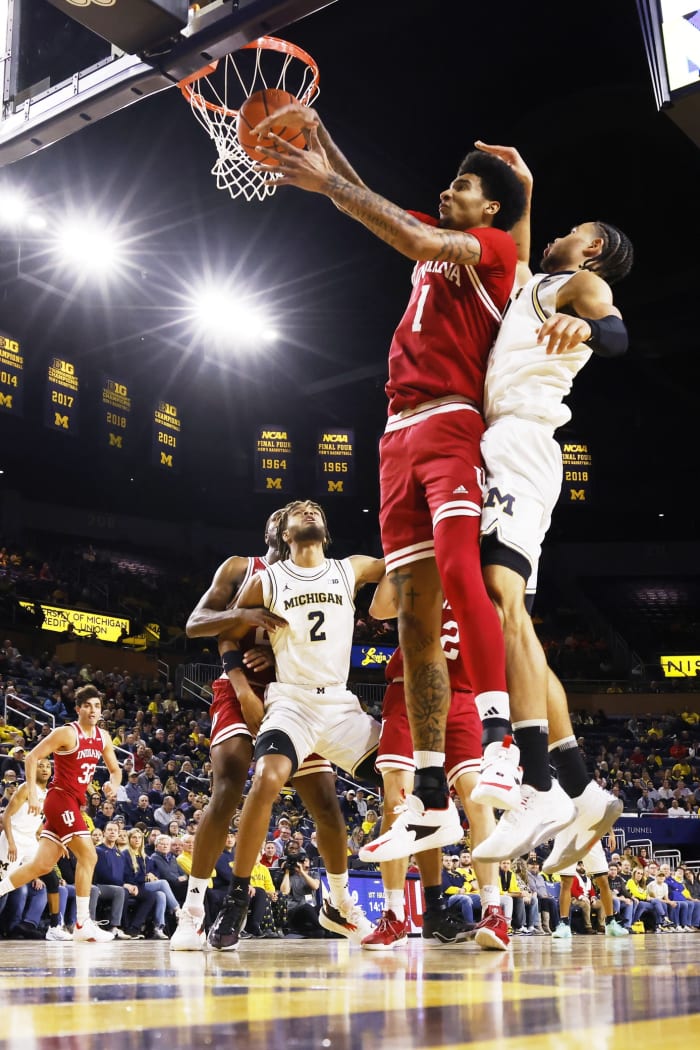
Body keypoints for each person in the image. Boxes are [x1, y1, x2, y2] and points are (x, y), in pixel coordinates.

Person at [253, 105, 527, 856]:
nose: (448, 191)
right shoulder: (437, 247)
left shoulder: (492, 248)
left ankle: (500, 742)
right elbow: (363, 194)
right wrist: (319, 135)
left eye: (462, 185)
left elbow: (404, 230)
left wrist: (322, 180)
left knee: (459, 569)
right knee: (410, 613)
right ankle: (432, 793)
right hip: (395, 434)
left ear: (493, 208)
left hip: (449, 421)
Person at [465, 142, 633, 867]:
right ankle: (579, 790)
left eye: (573, 230)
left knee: (502, 602)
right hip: (503, 443)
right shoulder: (538, 283)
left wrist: (589, 329)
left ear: (591, 249)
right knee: (509, 613)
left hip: (523, 444)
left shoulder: (579, 289)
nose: (557, 232)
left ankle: (537, 784)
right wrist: (525, 188)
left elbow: (619, 331)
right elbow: (525, 253)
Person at [171, 507, 375, 953]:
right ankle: (193, 910)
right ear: (272, 529)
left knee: (325, 801)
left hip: (295, 693)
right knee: (228, 786)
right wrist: (243, 685)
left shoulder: (320, 572)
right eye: (283, 513)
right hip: (242, 684)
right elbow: (200, 624)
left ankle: (340, 904)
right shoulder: (245, 568)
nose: (295, 515)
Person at [359, 578, 509, 950]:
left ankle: (493, 909)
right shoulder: (418, 569)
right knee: (399, 798)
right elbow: (378, 610)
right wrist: (398, 563)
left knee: (478, 797)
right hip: (409, 688)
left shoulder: (484, 574)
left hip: (463, 695)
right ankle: (394, 915)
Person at [0, 684, 120, 942]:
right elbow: (32, 757)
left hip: (74, 803)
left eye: (97, 705)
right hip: (60, 799)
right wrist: (32, 792)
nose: (92, 710)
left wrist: (114, 782)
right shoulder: (66, 732)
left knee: (40, 865)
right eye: (87, 705)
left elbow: (115, 769)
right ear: (78, 709)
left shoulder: (104, 737)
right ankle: (82, 923)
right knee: (89, 855)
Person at [0, 756, 71, 941]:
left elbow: (39, 824)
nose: (45, 769)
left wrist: (58, 840)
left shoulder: (47, 793)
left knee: (52, 878)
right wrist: (11, 842)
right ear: (34, 770)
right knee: (3, 885)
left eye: (48, 766)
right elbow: (6, 817)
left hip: (30, 841)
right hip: (12, 838)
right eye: (41, 766)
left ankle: (55, 927)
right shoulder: (25, 788)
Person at [552, 842, 629, 939]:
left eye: (582, 865)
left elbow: (592, 889)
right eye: (580, 865)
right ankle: (565, 924)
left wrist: (611, 832)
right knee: (565, 883)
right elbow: (573, 890)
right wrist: (582, 897)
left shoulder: (587, 879)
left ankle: (609, 923)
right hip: (569, 835)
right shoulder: (576, 876)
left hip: (592, 834)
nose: (581, 866)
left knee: (603, 882)